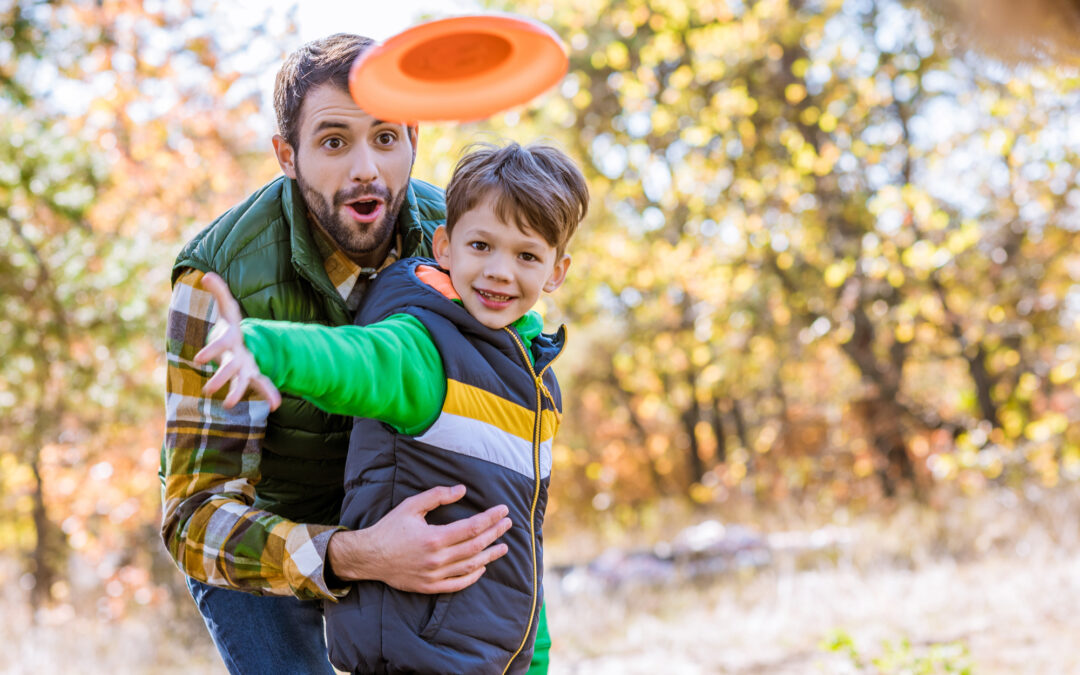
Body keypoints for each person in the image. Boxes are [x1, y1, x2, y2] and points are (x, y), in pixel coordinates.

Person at [160, 34, 550, 673]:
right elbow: (193, 519)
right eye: (334, 141)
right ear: (288, 154)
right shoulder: (216, 281)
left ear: (414, 137)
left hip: (411, 510)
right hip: (269, 537)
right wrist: (354, 552)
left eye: (386, 138)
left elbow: (505, 380)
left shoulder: (454, 237)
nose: (366, 167)